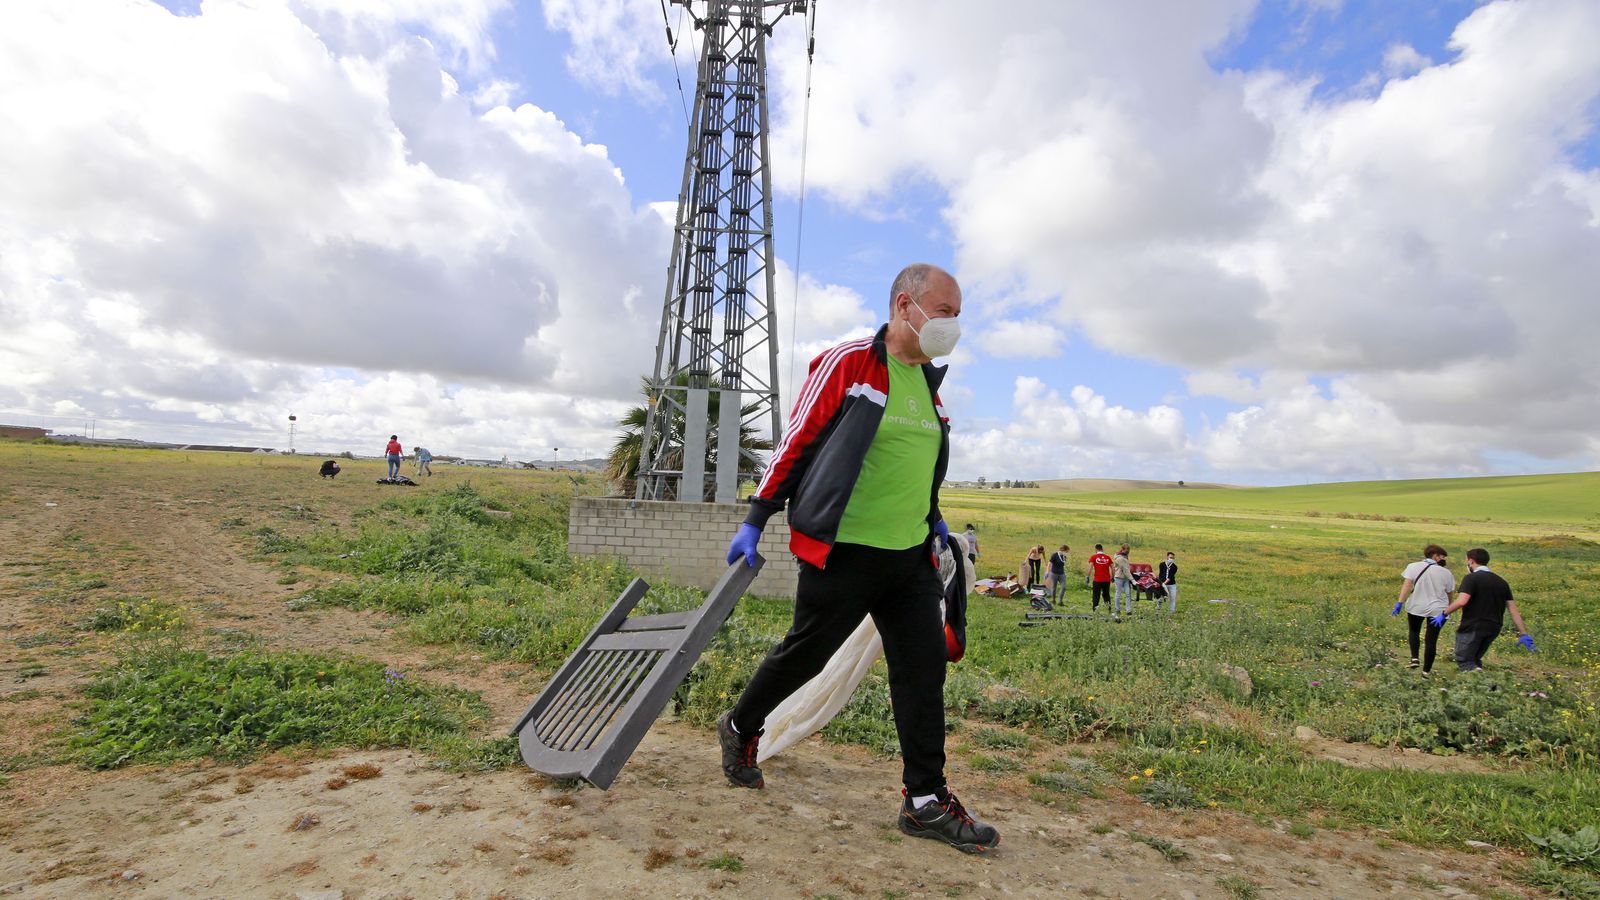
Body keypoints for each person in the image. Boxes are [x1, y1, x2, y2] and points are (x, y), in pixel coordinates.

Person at [718, 263, 999, 854]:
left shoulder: (929, 383)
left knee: (923, 674)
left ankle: (924, 801)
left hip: (908, 560)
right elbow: (796, 438)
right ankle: (741, 725)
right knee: (806, 655)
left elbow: (915, 467)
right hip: (842, 552)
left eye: (957, 315)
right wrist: (756, 515)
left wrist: (935, 520)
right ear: (905, 305)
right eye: (945, 312)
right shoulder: (849, 364)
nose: (953, 325)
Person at [1433, 548, 1534, 673]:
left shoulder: (1471, 579)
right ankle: (1479, 687)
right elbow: (1513, 610)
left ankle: (1484, 685)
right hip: (1494, 627)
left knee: (1464, 659)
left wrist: (1443, 614)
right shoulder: (1501, 582)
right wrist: (1524, 634)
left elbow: (1461, 601)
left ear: (1471, 561)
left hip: (1473, 625)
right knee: (1474, 658)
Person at [1393, 544, 1453, 675]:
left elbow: (1407, 585)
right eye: (1442, 556)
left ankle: (1414, 658)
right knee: (1431, 639)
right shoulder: (1446, 573)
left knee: (1414, 631)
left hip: (1416, 605)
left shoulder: (1413, 566)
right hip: (1438, 609)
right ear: (1435, 556)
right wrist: (1448, 611)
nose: (1443, 559)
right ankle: (1426, 672)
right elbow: (1449, 593)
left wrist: (1399, 603)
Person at [1089, 544, 1113, 612]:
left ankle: (1095, 610)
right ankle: (1109, 609)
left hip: (1097, 580)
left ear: (1096, 549)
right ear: (1102, 549)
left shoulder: (1093, 557)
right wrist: (1112, 576)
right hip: (1106, 580)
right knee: (1106, 595)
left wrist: (1087, 576)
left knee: (1096, 595)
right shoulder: (1108, 557)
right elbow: (1112, 568)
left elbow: (1090, 567)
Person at [1113, 544, 1133, 616]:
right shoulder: (1120, 558)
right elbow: (1125, 570)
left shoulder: (1125, 556)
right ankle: (1117, 609)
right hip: (1119, 577)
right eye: (1127, 550)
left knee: (1128, 594)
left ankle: (1128, 610)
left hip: (1126, 578)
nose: (1128, 552)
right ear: (1123, 549)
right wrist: (1133, 580)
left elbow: (1127, 568)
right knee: (1118, 594)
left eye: (1129, 551)